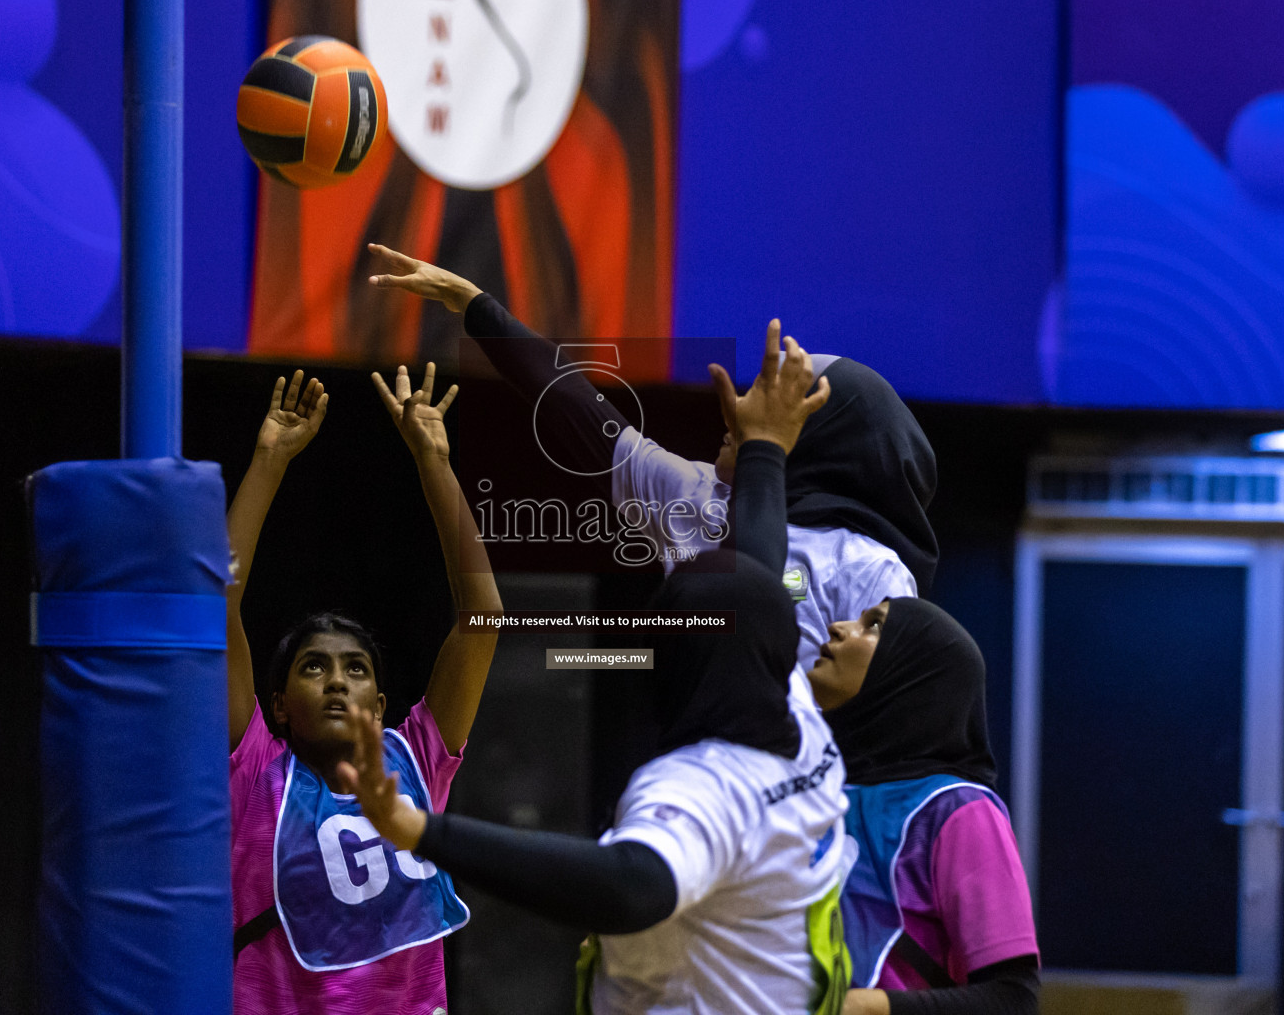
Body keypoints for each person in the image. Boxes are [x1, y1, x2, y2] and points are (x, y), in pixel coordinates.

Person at [365, 243, 939, 691]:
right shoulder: (699, 496)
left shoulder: (870, 570)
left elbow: (888, 716)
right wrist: (475, 307)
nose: (737, 413)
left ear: (822, 447)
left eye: (771, 408)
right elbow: (578, 409)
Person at [336, 551, 854, 1015]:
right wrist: (764, 448)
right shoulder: (802, 721)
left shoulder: (702, 790)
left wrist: (421, 831)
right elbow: (751, 591)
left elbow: (630, 885)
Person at [723, 361, 1040, 1014]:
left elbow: (1013, 998)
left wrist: (865, 1007)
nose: (839, 626)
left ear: (907, 676)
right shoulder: (811, 794)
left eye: (873, 626)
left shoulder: (959, 811)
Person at [224, 367, 502, 1015]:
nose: (338, 682)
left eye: (355, 669)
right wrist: (269, 457)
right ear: (279, 708)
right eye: (314, 668)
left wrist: (434, 460)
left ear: (381, 707)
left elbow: (483, 618)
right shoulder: (257, 767)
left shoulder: (417, 761)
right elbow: (219, 603)